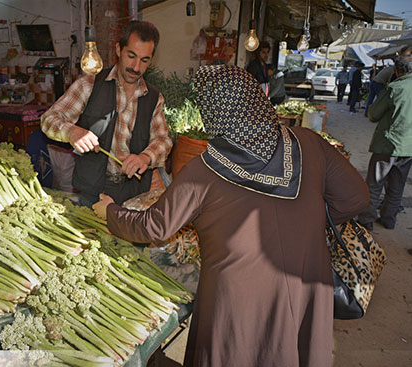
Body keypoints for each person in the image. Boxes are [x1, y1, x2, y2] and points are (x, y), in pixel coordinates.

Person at [93, 65, 369, 367]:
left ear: (212, 112)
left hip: (237, 302)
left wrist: (110, 211)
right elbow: (356, 197)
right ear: (256, 99)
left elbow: (153, 227)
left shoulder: (203, 171)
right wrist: (307, 225)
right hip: (306, 283)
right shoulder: (308, 142)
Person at [40, 21, 172, 207]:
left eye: (144, 60)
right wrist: (72, 132)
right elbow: (48, 120)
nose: (136, 67)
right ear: (119, 49)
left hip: (133, 194)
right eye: (131, 55)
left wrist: (145, 157)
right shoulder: (90, 84)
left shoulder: (153, 97)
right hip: (93, 190)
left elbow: (163, 140)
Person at [358, 55, 412, 230]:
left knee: (375, 184)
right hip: (408, 147)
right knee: (397, 186)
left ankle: (366, 221)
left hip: (388, 145)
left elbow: (373, 114)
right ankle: (389, 219)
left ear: (397, 70)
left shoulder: (395, 88)